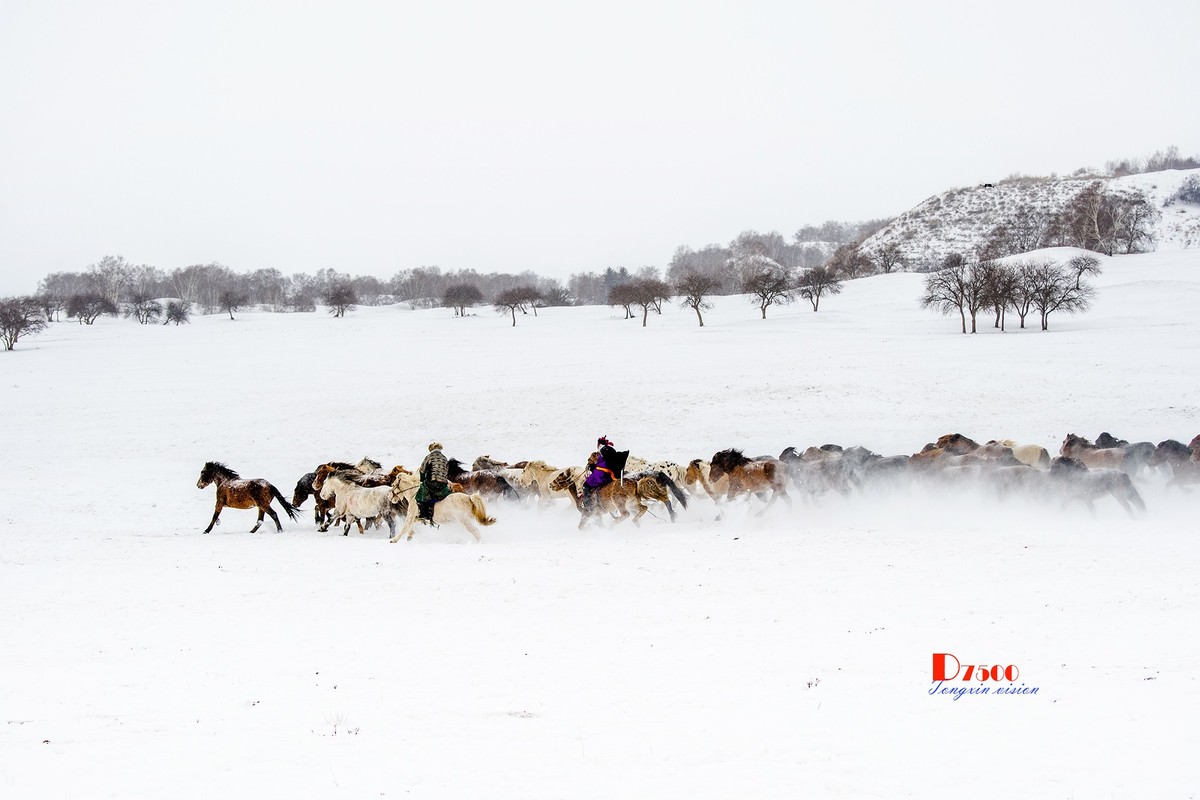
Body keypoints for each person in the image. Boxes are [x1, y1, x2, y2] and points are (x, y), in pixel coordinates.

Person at [580, 436, 628, 512]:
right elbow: (603, 465)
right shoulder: (607, 450)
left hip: (604, 475)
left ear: (599, 444)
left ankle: (588, 505)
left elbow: (602, 466)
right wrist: (594, 467)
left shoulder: (603, 451)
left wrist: (592, 467)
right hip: (609, 474)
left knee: (586, 485)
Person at [416, 441, 451, 523]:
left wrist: (422, 479)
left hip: (432, 482)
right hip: (443, 484)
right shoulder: (444, 458)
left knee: (420, 495)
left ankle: (424, 515)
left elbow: (422, 470)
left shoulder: (429, 457)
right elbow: (447, 471)